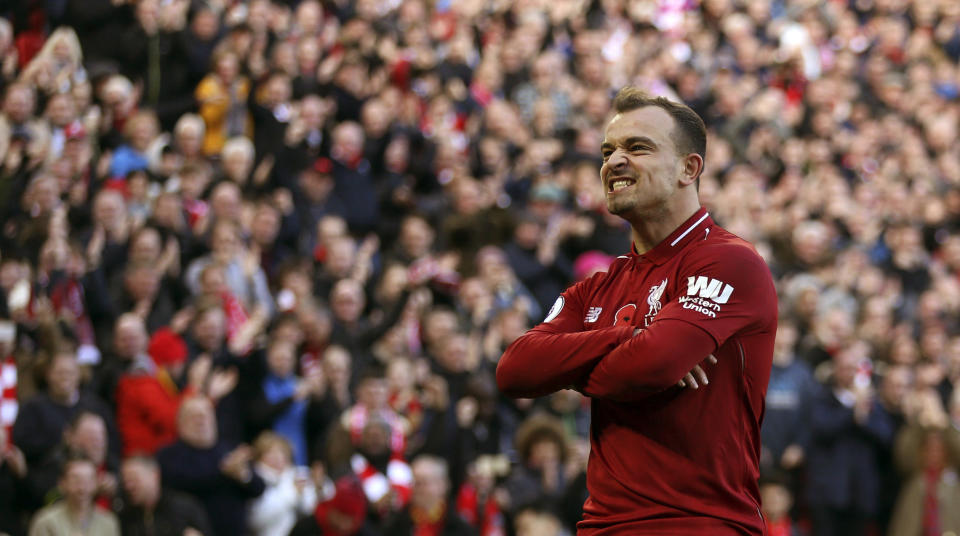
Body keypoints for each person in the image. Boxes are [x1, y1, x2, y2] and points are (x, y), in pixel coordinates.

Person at [496, 87, 778, 534]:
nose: (613, 162)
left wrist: (573, 367)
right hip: (601, 525)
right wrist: (625, 338)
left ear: (690, 168)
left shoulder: (730, 261)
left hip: (698, 524)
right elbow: (514, 370)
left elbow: (650, 366)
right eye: (608, 151)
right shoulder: (598, 286)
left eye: (637, 147)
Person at [118, 455, 212, 536]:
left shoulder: (184, 508)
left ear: (155, 475)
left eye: (134, 478)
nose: (129, 486)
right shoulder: (127, 516)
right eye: (125, 481)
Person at [27, 454, 120, 536]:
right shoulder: (46, 522)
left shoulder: (108, 522)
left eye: (88, 480)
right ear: (62, 483)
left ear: (96, 483)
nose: (82, 488)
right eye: (76, 480)